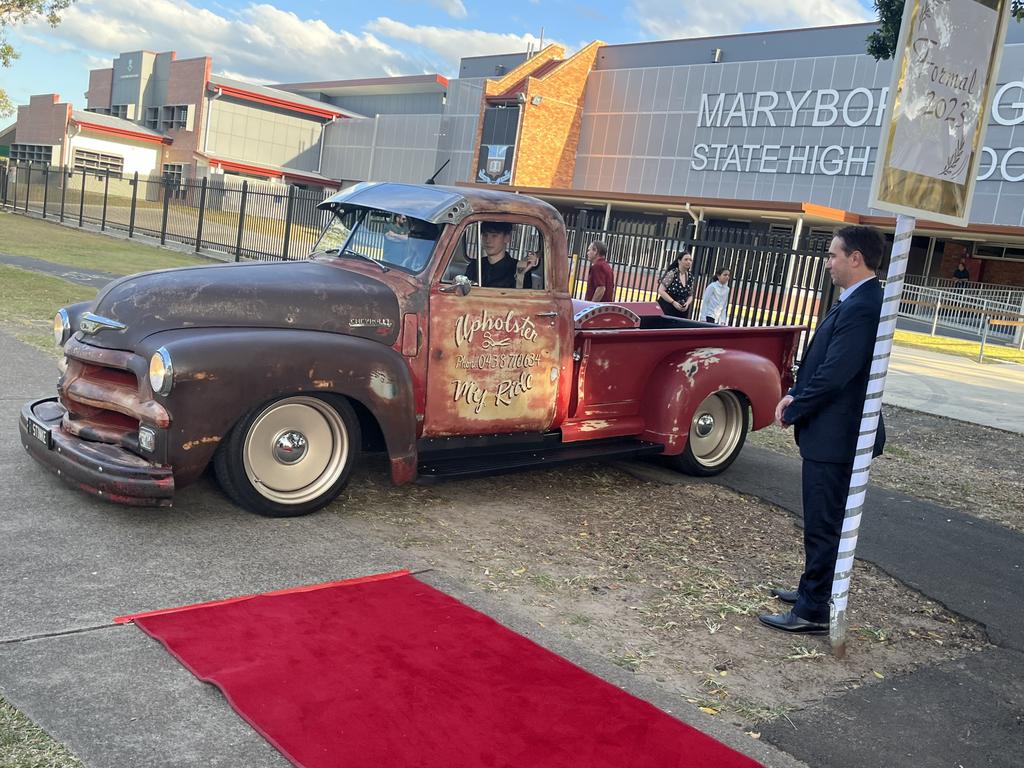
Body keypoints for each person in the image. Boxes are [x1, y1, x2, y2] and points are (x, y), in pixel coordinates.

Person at [760, 225, 887, 635]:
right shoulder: (854, 300)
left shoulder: (865, 305)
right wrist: (796, 391)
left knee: (824, 524)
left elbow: (836, 374)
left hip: (837, 437)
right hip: (830, 434)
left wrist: (795, 405)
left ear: (855, 258)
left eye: (833, 255)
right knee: (820, 522)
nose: (827, 263)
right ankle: (812, 592)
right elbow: (823, 363)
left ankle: (814, 609)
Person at [465, 221, 538, 289]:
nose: (488, 240)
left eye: (494, 235)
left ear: (507, 238)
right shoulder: (474, 265)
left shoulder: (519, 268)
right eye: (485, 235)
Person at [657, 251, 694, 317]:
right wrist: (673, 302)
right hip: (668, 307)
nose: (688, 262)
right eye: (686, 259)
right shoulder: (673, 273)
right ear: (679, 261)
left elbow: (690, 295)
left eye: (690, 260)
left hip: (682, 310)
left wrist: (687, 303)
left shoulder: (690, 276)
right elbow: (661, 290)